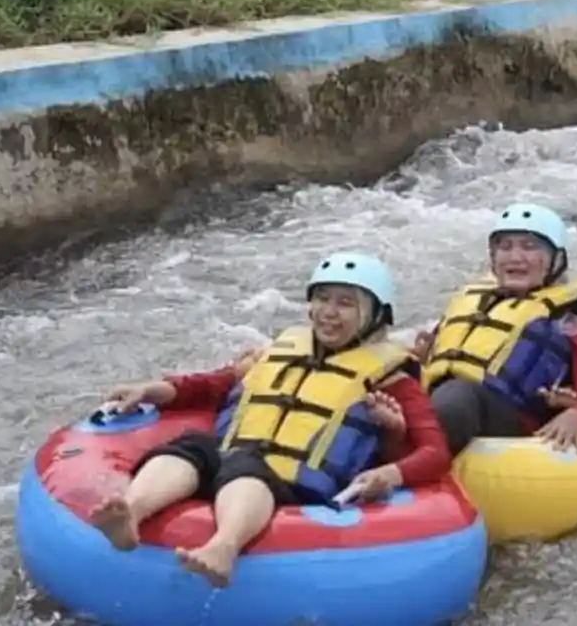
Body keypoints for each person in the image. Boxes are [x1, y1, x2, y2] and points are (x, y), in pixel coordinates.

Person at [86, 252, 451, 588]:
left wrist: (390, 465)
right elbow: (214, 384)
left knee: (246, 466)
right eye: (322, 299)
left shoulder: (394, 381)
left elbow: (435, 451)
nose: (329, 312)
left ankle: (223, 548)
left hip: (293, 484)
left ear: (374, 316)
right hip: (232, 456)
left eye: (345, 303)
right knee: (191, 447)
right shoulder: (280, 351)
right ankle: (130, 513)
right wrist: (152, 390)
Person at [398, 203, 577, 456]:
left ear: (556, 260)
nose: (515, 257)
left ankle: (406, 465)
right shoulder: (474, 302)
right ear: (493, 259)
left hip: (510, 420)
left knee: (459, 395)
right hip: (445, 407)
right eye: (504, 247)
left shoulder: (571, 321)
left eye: (529, 247)